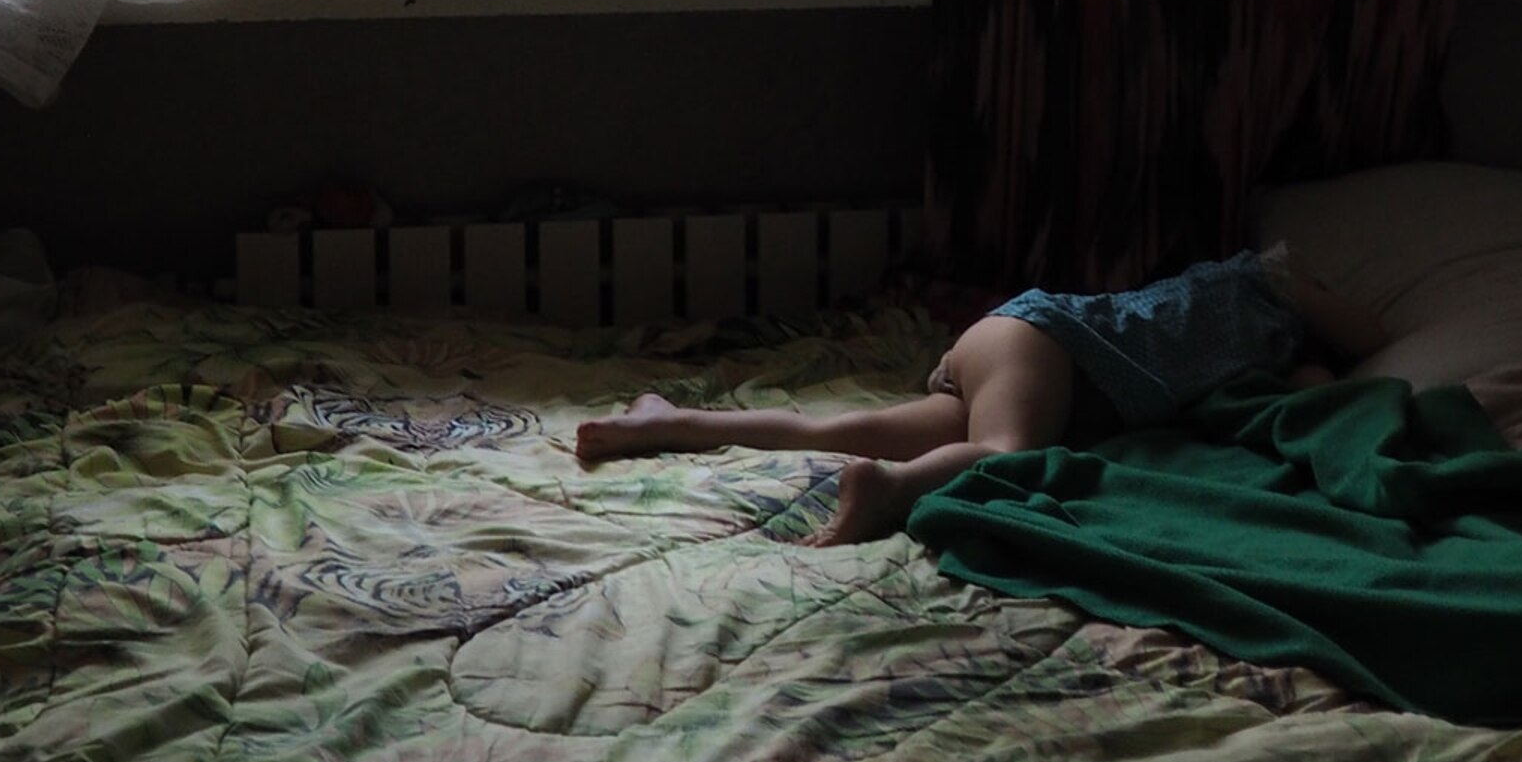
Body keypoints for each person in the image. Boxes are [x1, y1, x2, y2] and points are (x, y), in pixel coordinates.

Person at [574, 248, 1383, 545]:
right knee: (1010, 456)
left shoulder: (1263, 348)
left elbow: (1308, 394)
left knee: (845, 427)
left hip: (1014, 349)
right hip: (1047, 342)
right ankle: (888, 495)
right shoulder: (1273, 282)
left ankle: (672, 422)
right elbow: (1367, 342)